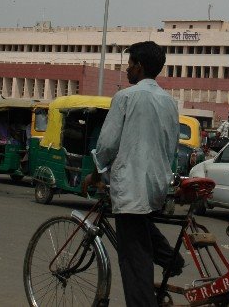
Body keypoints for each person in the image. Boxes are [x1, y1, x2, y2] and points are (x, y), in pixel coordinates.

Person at [82, 41, 183, 306]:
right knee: (140, 225)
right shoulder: (169, 103)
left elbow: (106, 145)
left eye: (129, 65)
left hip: (131, 185)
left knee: (134, 262)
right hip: (157, 185)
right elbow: (172, 146)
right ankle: (170, 258)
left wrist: (96, 173)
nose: (127, 70)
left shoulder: (126, 97)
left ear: (138, 66)